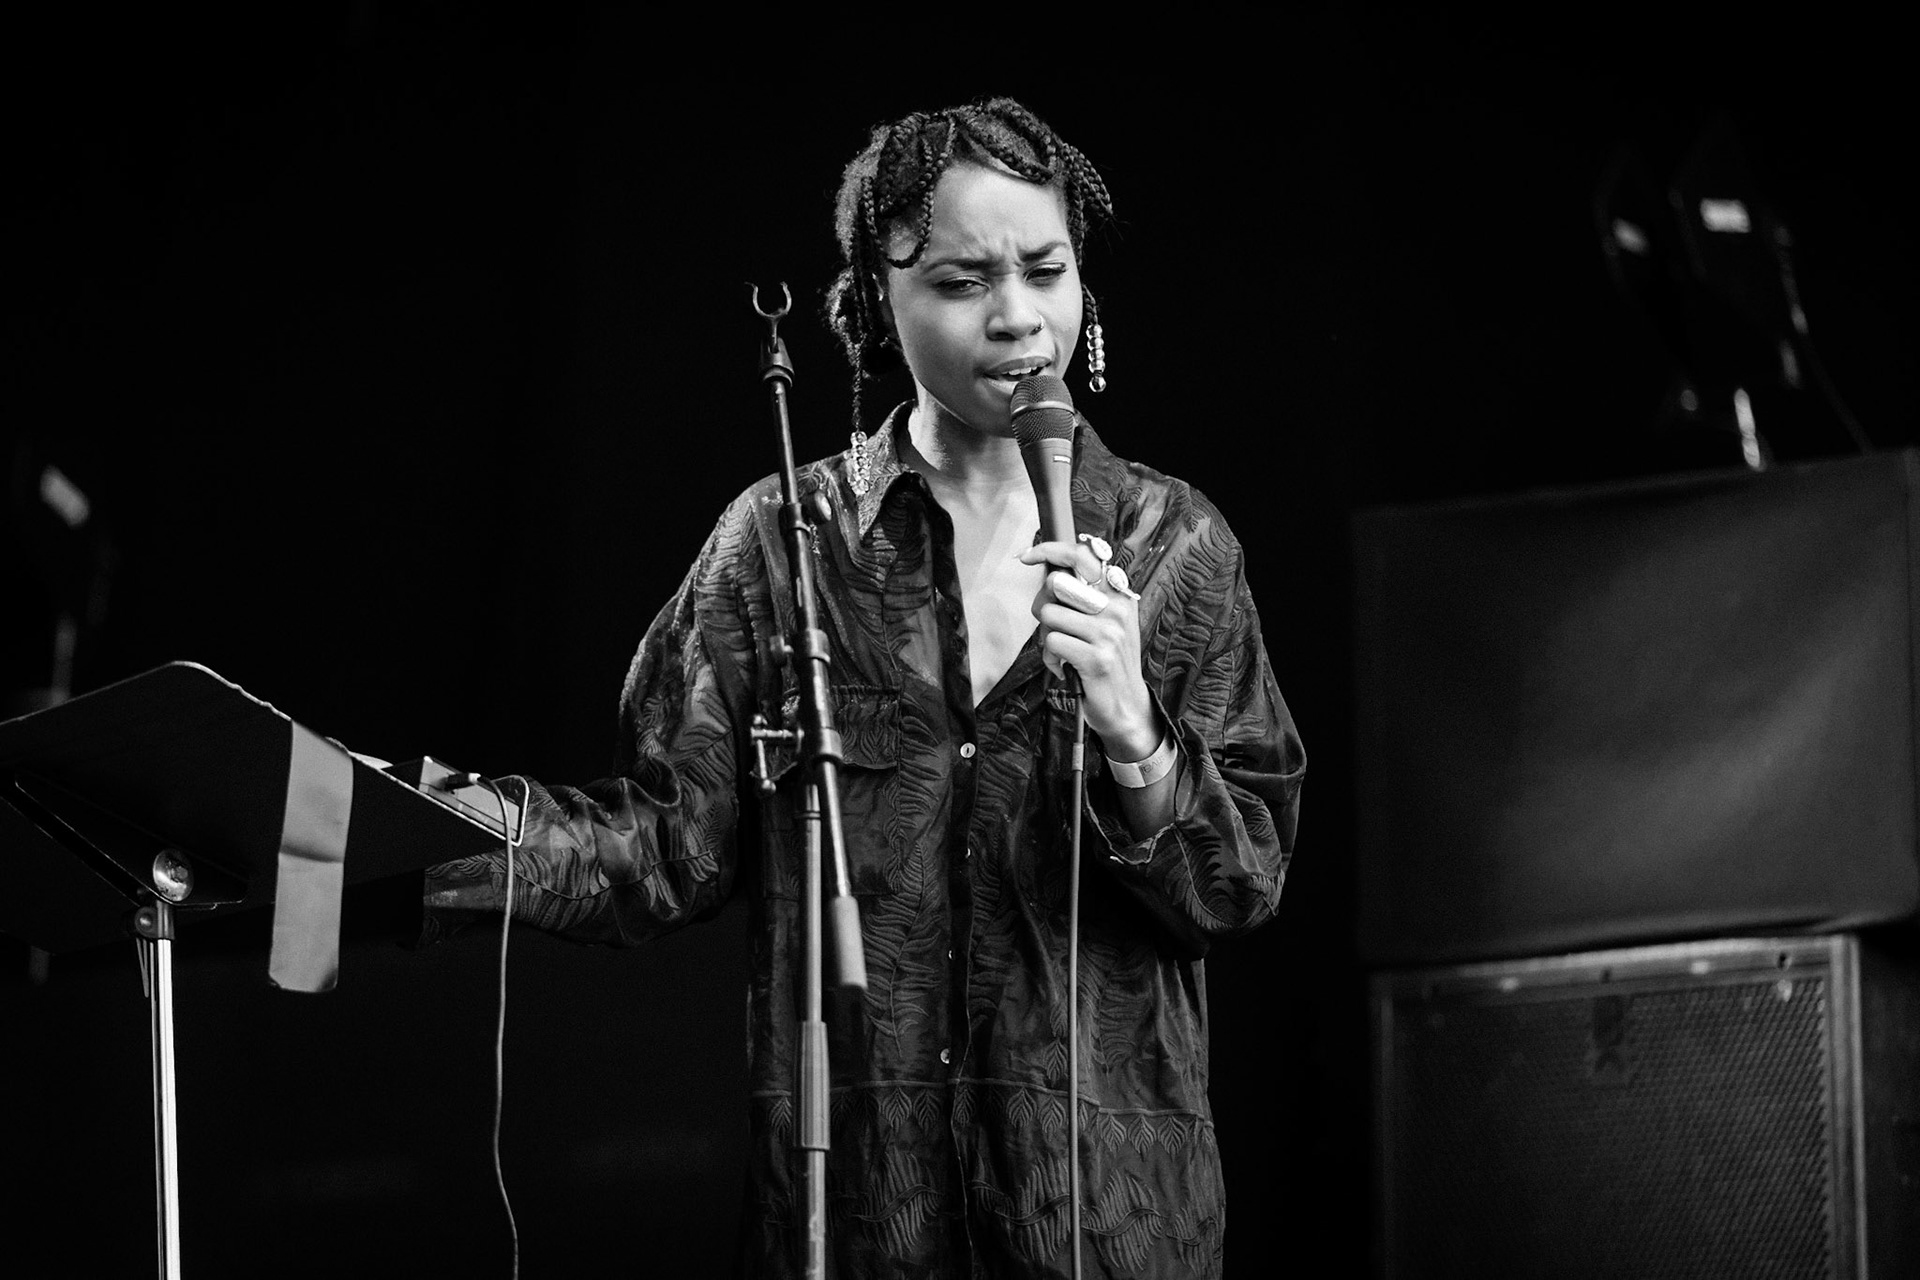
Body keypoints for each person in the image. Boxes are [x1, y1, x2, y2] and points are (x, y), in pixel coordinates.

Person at [423, 96, 1304, 1279]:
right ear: (873, 305)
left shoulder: (1173, 544)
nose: (1016, 318)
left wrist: (1134, 724)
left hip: (1111, 1228)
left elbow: (1241, 881)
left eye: (1046, 270)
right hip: (857, 1223)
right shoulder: (785, 544)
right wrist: (430, 834)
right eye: (959, 281)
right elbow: (666, 841)